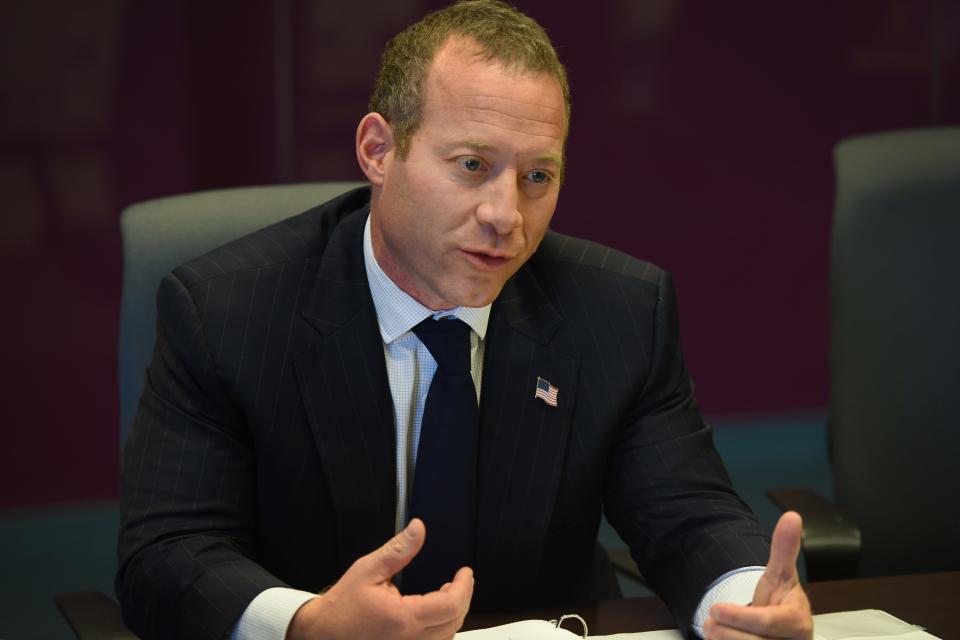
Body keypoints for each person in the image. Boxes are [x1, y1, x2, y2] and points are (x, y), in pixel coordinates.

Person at [116, 2, 813, 639]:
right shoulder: (226, 312)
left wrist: (746, 597)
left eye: (537, 176)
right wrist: (305, 623)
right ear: (378, 151)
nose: (506, 215)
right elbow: (168, 555)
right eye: (472, 165)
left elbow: (688, 515)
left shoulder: (622, 312)